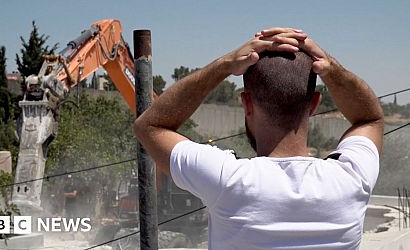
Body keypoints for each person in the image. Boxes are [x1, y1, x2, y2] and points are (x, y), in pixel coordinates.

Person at [134, 27, 383, 249]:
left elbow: (150, 126)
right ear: (314, 103)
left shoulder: (226, 179)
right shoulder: (352, 179)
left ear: (246, 103)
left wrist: (225, 64)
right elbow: (370, 118)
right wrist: (331, 68)